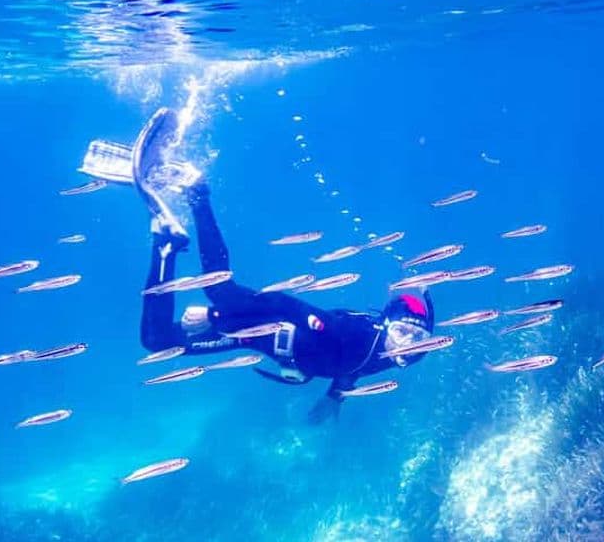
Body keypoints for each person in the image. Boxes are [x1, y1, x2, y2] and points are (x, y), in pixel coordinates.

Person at [135, 108, 436, 423]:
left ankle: (170, 236)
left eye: (418, 338)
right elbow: (286, 305)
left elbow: (356, 365)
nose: (408, 343)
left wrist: (336, 396)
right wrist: (215, 315)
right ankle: (193, 199)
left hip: (258, 340)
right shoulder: (355, 332)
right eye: (403, 331)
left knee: (160, 339)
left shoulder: (402, 356)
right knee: (215, 293)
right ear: (386, 324)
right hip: (263, 324)